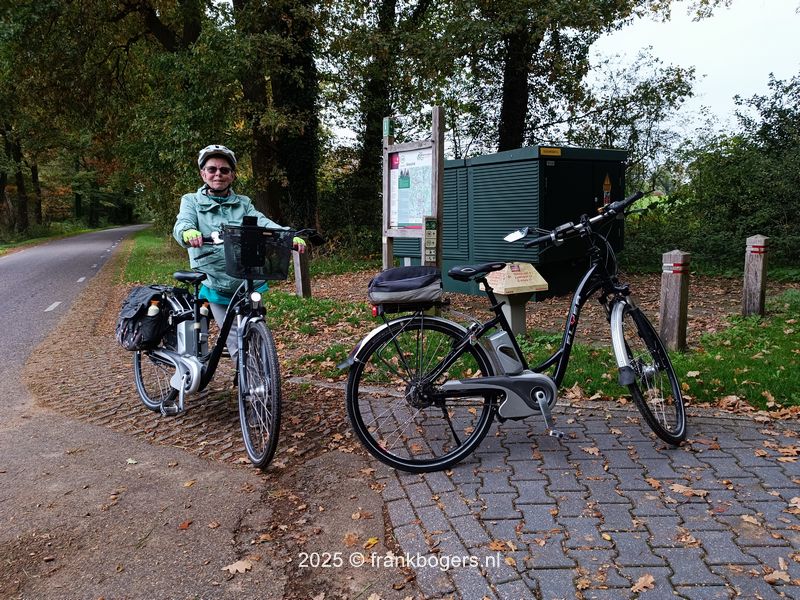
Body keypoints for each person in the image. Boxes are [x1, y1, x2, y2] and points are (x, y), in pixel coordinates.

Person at [173, 144, 305, 361]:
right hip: (215, 281)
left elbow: (262, 222)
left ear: (232, 175)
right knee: (235, 340)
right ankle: (250, 388)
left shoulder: (243, 203)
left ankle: (261, 376)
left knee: (255, 330)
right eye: (212, 169)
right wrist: (188, 232)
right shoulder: (191, 201)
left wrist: (287, 235)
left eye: (224, 170)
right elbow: (183, 222)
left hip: (246, 279)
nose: (218, 174)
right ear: (203, 173)